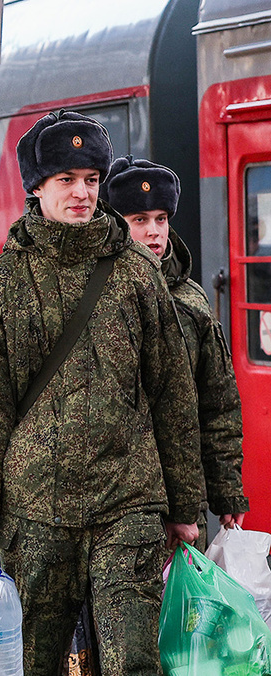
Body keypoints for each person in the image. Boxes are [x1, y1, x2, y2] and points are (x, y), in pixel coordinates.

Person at [0, 110, 204, 676]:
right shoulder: (3, 283)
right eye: (67, 180)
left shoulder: (136, 274)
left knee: (131, 661)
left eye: (91, 180)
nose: (82, 193)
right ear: (36, 188)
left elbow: (172, 395)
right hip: (36, 513)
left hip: (127, 504)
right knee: (35, 661)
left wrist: (186, 507)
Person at [102, 156, 248, 545]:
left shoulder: (192, 301)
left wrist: (226, 488)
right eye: (140, 220)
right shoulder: (98, 294)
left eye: (161, 219)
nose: (154, 232)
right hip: (117, 506)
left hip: (184, 503)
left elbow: (217, 403)